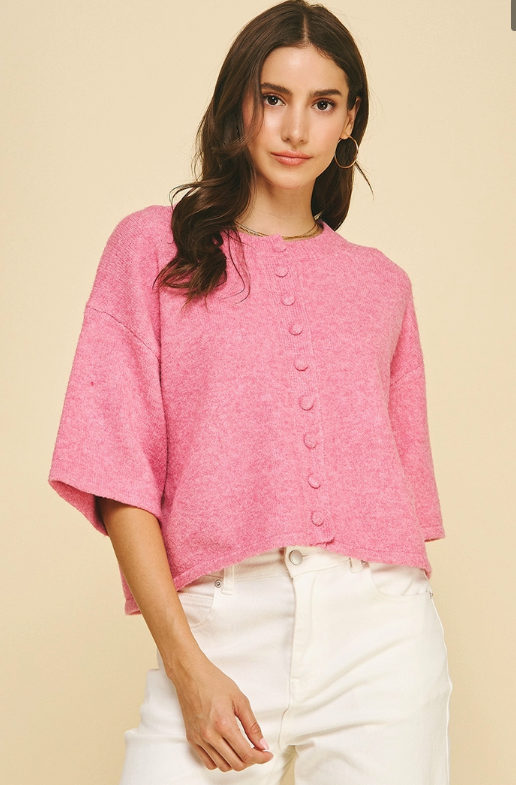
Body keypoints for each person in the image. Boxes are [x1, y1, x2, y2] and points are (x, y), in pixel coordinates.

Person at [48, 1, 453, 782]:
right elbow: (118, 473)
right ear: (239, 103)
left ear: (350, 121)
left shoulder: (383, 286)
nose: (295, 128)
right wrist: (184, 662)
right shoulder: (154, 249)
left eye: (323, 103)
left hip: (382, 635)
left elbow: (400, 495)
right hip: (218, 623)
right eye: (273, 98)